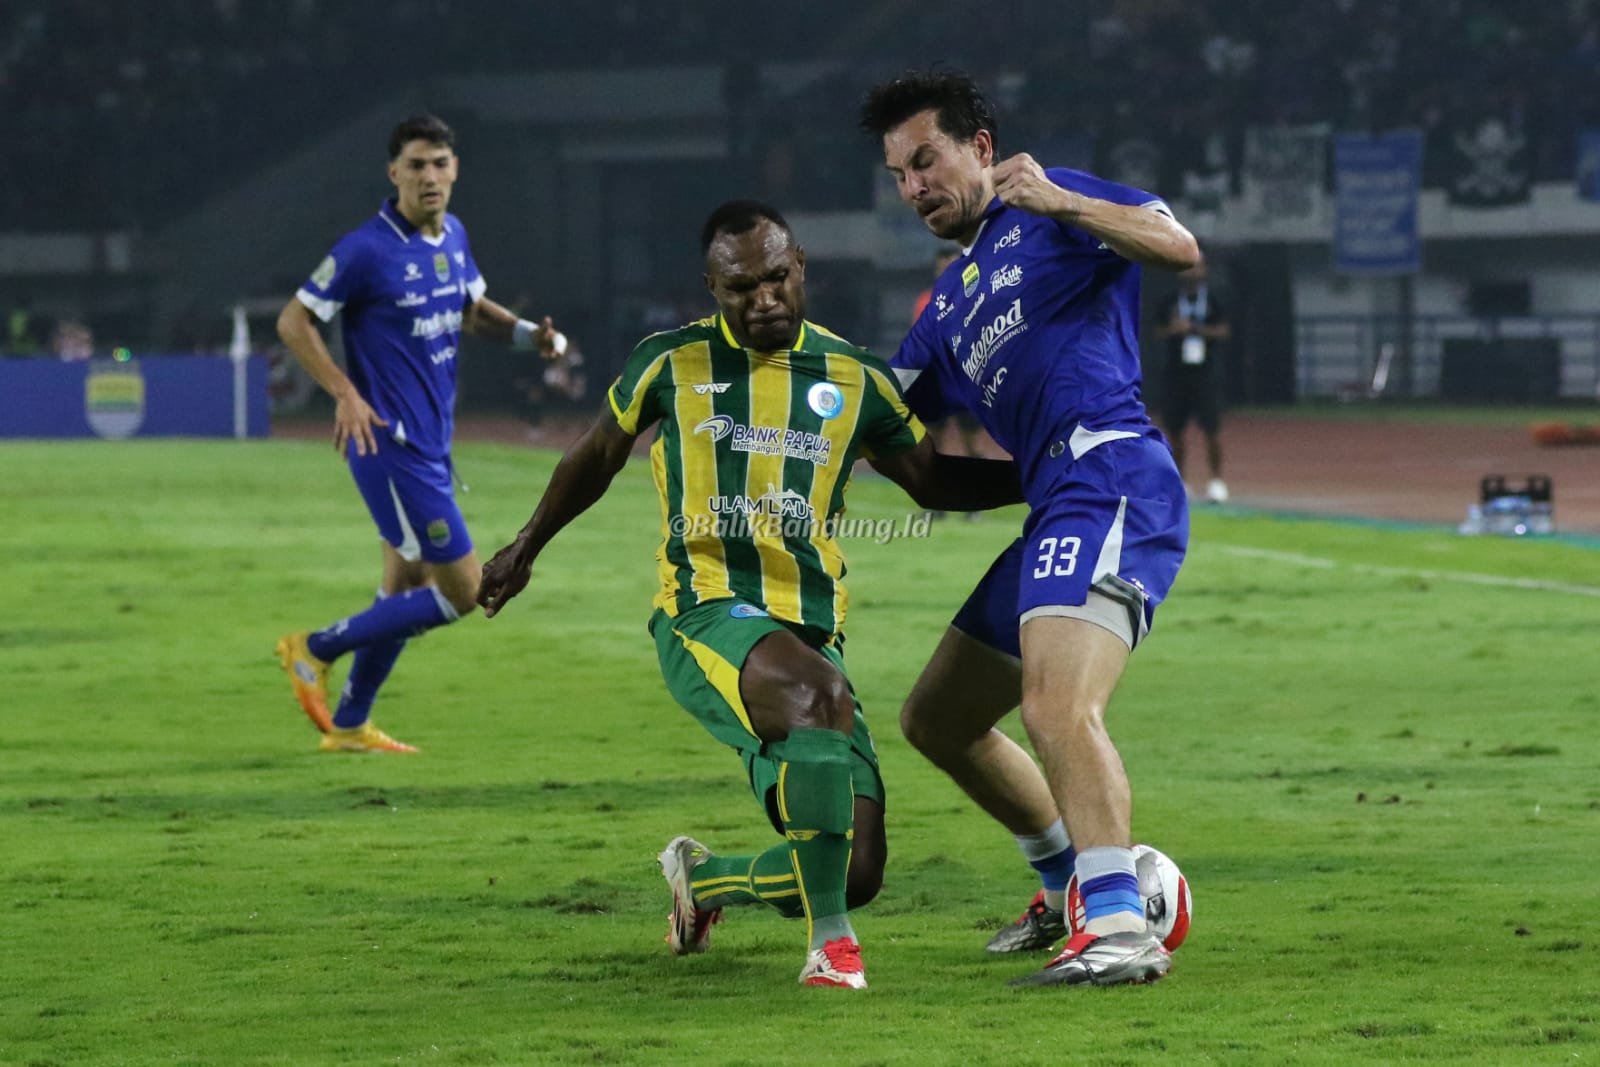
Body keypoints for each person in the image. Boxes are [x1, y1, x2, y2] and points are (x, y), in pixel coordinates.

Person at [476, 200, 1022, 989]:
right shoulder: (669, 363)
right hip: (706, 613)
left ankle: (704, 883)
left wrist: (1043, 476)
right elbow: (597, 454)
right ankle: (832, 949)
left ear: (800, 266)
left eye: (775, 278)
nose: (762, 297)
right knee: (818, 695)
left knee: (856, 864)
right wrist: (525, 544)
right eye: (740, 287)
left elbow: (931, 476)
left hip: (810, 631)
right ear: (711, 287)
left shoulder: (854, 376)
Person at [861, 69, 1199, 987]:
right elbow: (895, 435)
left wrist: (1061, 198)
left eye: (924, 160)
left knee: (1056, 706)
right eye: (898, 174)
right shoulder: (944, 309)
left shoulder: (1056, 210)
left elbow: (1177, 246)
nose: (913, 187)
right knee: (938, 717)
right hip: (1058, 499)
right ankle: (1065, 891)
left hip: (1113, 476)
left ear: (980, 147)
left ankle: (1121, 926)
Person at [274, 113, 564, 754]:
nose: (429, 176)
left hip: (431, 445)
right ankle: (313, 648)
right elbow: (294, 322)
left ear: (455, 170)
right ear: (393, 173)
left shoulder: (453, 236)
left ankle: (350, 724)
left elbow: (471, 311)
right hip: (390, 446)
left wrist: (527, 337)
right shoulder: (364, 251)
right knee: (464, 592)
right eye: (416, 165)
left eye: (439, 163)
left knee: (401, 587)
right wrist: (345, 393)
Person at [1158, 253, 1231, 503]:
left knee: (1212, 429)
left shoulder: (1214, 300)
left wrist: (1198, 329)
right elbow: (1156, 331)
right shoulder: (1169, 300)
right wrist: (1173, 329)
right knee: (1174, 430)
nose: (1192, 271)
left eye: (1198, 266)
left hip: (1205, 374)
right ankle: (1181, 480)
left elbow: (1224, 330)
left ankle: (1217, 481)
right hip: (1176, 374)